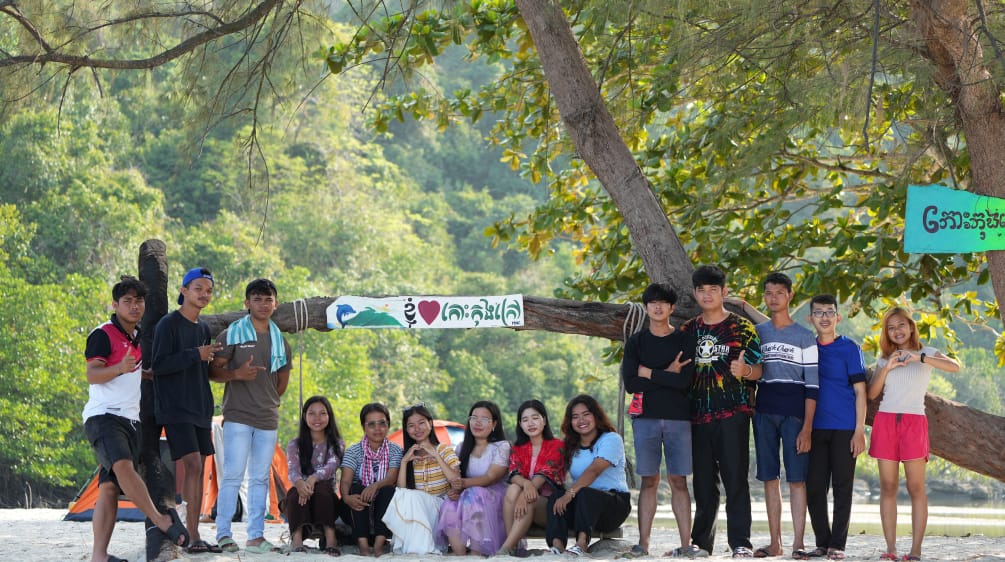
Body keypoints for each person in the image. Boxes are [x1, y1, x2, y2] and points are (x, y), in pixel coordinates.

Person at [83, 276, 190, 562]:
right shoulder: (102, 334)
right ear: (115, 305)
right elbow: (93, 374)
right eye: (127, 301)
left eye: (138, 301)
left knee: (108, 487)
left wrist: (141, 373)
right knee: (124, 467)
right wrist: (119, 367)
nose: (134, 306)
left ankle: (99, 556)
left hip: (131, 421)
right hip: (105, 418)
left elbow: (126, 368)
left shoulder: (136, 335)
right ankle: (160, 519)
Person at [681, 265, 762, 558]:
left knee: (736, 479)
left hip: (733, 413)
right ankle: (702, 543)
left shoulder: (742, 327)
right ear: (695, 294)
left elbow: (760, 370)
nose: (707, 295)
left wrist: (746, 370)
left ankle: (741, 542)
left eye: (713, 290)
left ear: (724, 293)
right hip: (697, 415)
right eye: (701, 290)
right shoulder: (688, 330)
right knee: (703, 483)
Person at [868, 306, 960, 562]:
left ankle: (916, 550)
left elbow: (954, 367)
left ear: (911, 327)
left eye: (901, 325)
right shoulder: (884, 359)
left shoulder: (926, 353)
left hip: (914, 423)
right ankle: (891, 549)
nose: (897, 331)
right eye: (891, 327)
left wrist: (918, 359)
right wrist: (887, 369)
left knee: (916, 487)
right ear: (887, 333)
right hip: (886, 421)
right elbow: (872, 394)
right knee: (888, 486)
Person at [209, 278, 291, 554]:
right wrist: (237, 375)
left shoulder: (280, 340)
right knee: (233, 475)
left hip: (268, 418)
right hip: (237, 415)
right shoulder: (231, 334)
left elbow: (282, 380)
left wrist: (269, 401)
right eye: (257, 299)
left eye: (268, 299)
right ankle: (223, 533)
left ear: (275, 304)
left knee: (259, 478)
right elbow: (213, 371)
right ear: (247, 303)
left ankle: (256, 536)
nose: (263, 304)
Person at [620, 282, 701, 558]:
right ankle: (643, 544)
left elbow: (683, 383)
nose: (657, 307)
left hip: (679, 418)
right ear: (645, 308)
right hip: (645, 419)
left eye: (663, 303)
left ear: (672, 307)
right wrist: (666, 373)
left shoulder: (684, 340)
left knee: (679, 480)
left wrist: (649, 373)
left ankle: (686, 544)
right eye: (652, 303)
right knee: (649, 480)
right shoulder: (636, 342)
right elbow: (631, 383)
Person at [150, 266, 224, 554]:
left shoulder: (204, 328)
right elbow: (159, 366)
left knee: (200, 467)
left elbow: (203, 371)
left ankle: (196, 535)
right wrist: (196, 354)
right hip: (175, 407)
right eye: (198, 289)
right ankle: (192, 534)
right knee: (192, 463)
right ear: (183, 291)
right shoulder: (167, 325)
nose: (204, 295)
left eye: (208, 290)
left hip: (200, 408)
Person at [752, 273, 819, 558]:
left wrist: (807, 428)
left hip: (795, 416)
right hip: (764, 412)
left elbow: (813, 387)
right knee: (770, 478)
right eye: (769, 293)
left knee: (797, 480)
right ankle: (775, 542)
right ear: (765, 297)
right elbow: (751, 372)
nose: (774, 298)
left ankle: (798, 543)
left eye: (779, 292)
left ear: (790, 296)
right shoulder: (758, 333)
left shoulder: (805, 337)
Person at [801, 295, 867, 561]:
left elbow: (861, 392)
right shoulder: (807, 347)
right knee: (815, 487)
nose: (825, 317)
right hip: (813, 428)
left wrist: (860, 430)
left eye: (830, 312)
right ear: (811, 319)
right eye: (819, 313)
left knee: (842, 487)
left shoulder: (850, 348)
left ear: (838, 317)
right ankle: (821, 542)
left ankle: (837, 544)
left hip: (844, 428)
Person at [546, 394, 631, 556]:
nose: (581, 420)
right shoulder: (571, 446)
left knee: (584, 493)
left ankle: (581, 544)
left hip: (613, 506)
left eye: (586, 414)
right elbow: (553, 470)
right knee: (556, 495)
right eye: (575, 417)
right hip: (582, 508)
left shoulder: (611, 439)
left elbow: (595, 469)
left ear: (596, 416)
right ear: (570, 422)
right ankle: (557, 547)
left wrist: (570, 493)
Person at [382, 404, 461, 554]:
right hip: (419, 511)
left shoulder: (444, 449)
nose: (417, 429)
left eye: (421, 423)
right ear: (406, 429)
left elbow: (456, 480)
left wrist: (436, 454)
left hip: (441, 509)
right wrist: (405, 461)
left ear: (430, 423)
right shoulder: (409, 455)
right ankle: (420, 550)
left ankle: (420, 549)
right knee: (406, 496)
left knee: (413, 497)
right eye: (411, 425)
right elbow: (402, 493)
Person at [435, 401, 511, 555]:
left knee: (475, 494)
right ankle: (460, 553)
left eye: (484, 419)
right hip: (468, 494)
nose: (477, 422)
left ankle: (477, 551)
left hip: (495, 497)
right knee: (450, 503)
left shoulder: (502, 447)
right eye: (474, 417)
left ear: (494, 424)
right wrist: (454, 490)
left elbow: (490, 477)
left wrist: (462, 484)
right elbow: (457, 477)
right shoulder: (462, 447)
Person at [498, 400, 565, 556]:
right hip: (520, 507)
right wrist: (526, 484)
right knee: (513, 487)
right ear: (520, 424)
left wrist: (526, 493)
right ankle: (512, 544)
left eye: (535, 418)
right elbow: (514, 474)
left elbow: (545, 473)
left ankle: (505, 550)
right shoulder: (518, 448)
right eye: (525, 419)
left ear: (544, 420)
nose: (530, 423)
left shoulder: (557, 445)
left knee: (529, 498)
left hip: (549, 508)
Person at [285, 396, 348, 555]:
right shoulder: (294, 444)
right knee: (293, 493)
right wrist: (300, 483)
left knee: (321, 489)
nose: (317, 418)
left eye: (322, 413)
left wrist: (312, 479)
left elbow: (331, 466)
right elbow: (293, 470)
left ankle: (331, 539)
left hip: (325, 499)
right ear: (305, 416)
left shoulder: (337, 443)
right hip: (302, 497)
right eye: (312, 413)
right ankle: (297, 541)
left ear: (329, 416)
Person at [340, 403, 403, 557]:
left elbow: (391, 478)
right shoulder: (353, 451)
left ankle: (378, 545)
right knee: (356, 489)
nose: (377, 428)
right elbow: (345, 481)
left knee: (389, 490)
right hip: (357, 507)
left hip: (383, 508)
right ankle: (363, 546)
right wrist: (347, 498)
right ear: (364, 427)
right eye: (371, 424)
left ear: (388, 425)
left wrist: (374, 486)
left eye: (382, 423)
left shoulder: (395, 450)